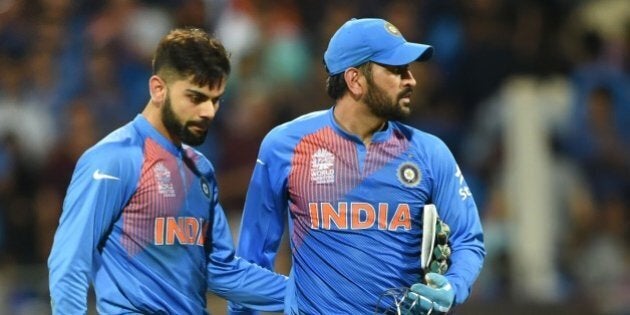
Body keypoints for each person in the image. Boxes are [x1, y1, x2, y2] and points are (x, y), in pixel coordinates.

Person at [228, 18, 485, 314]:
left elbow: (468, 239)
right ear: (355, 80)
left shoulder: (430, 153)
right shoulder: (284, 145)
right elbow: (252, 258)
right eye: (396, 70)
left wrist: (453, 284)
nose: (411, 79)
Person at [48, 28, 287, 314]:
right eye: (196, 97)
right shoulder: (113, 160)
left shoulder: (200, 169)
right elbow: (69, 264)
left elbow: (223, 271)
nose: (208, 112)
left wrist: (314, 294)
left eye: (216, 99)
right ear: (158, 89)